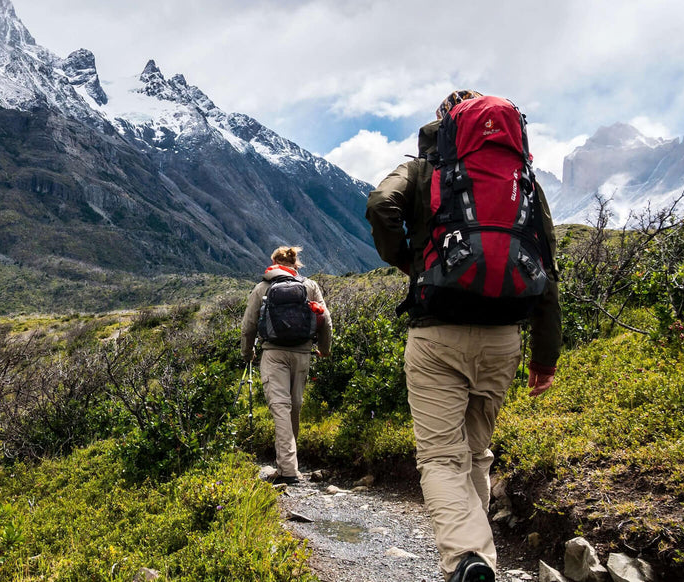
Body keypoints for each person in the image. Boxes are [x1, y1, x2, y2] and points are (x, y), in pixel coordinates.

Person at [365, 90, 562, 582]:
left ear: (445, 124)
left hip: (438, 334)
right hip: (504, 338)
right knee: (477, 450)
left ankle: (467, 558)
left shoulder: (425, 169)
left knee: (439, 456)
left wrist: (411, 262)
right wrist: (545, 358)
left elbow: (378, 204)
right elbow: (545, 265)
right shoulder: (523, 180)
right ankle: (482, 560)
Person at [241, 246, 333, 485]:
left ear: (273, 262)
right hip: (302, 353)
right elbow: (326, 320)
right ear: (296, 264)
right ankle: (289, 465)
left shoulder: (262, 287)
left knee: (280, 407)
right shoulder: (309, 286)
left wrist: (248, 352)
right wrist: (324, 348)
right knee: (294, 406)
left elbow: (248, 325)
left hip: (273, 354)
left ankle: (288, 470)